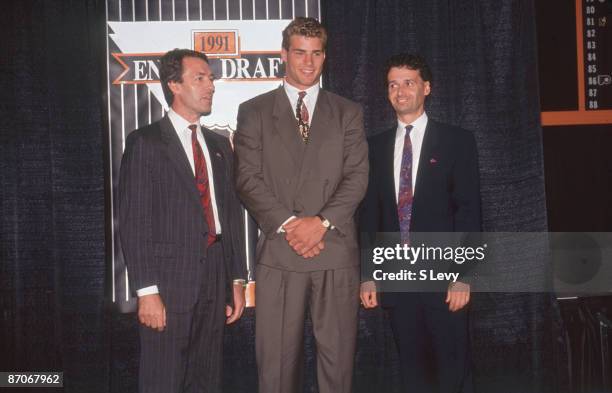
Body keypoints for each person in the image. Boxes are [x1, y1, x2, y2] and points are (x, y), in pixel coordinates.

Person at [233, 17, 368, 393]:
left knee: (337, 369)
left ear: (324, 57)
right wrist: (292, 224)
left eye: (316, 54)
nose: (308, 63)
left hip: (335, 250)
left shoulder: (348, 112)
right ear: (283, 55)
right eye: (299, 53)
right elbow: (247, 179)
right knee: (275, 371)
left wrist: (320, 223)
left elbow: (357, 177)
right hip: (280, 252)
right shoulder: (254, 111)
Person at [118, 48, 247, 393]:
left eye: (211, 79)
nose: (211, 87)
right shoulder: (145, 142)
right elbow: (134, 222)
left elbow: (230, 217)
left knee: (206, 379)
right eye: (200, 78)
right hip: (168, 283)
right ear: (174, 84)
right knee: (163, 378)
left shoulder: (220, 146)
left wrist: (236, 278)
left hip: (215, 276)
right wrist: (146, 291)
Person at [359, 53, 481, 393]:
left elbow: (470, 211)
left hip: (445, 283)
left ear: (426, 88)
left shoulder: (457, 141)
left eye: (409, 83)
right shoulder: (374, 147)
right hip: (398, 282)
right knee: (413, 375)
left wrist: (464, 276)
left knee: (453, 374)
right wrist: (368, 274)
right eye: (393, 85)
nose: (400, 91)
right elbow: (369, 214)